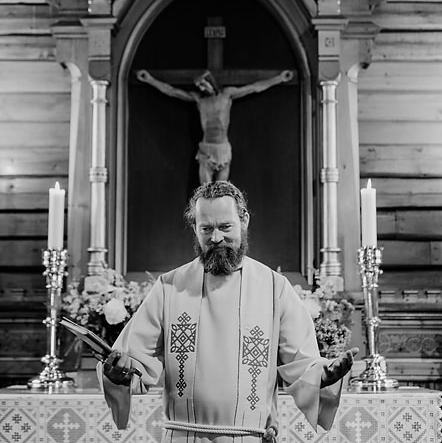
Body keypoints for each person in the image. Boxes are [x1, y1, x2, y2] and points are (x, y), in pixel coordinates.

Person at [99, 181, 357, 439]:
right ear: (194, 228)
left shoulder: (274, 288)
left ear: (244, 220)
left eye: (225, 227)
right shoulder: (169, 287)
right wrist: (117, 373)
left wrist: (325, 374)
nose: (216, 238)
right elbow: (130, 359)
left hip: (249, 436)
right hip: (185, 437)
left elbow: (302, 364)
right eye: (206, 229)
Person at [137, 69, 293, 182]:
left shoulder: (226, 95)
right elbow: (172, 91)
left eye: (204, 85)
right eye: (199, 87)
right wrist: (149, 79)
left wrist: (279, 79)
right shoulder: (199, 99)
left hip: (223, 148)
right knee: (204, 192)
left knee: (222, 192)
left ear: (211, 82)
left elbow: (254, 87)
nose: (202, 88)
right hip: (206, 149)